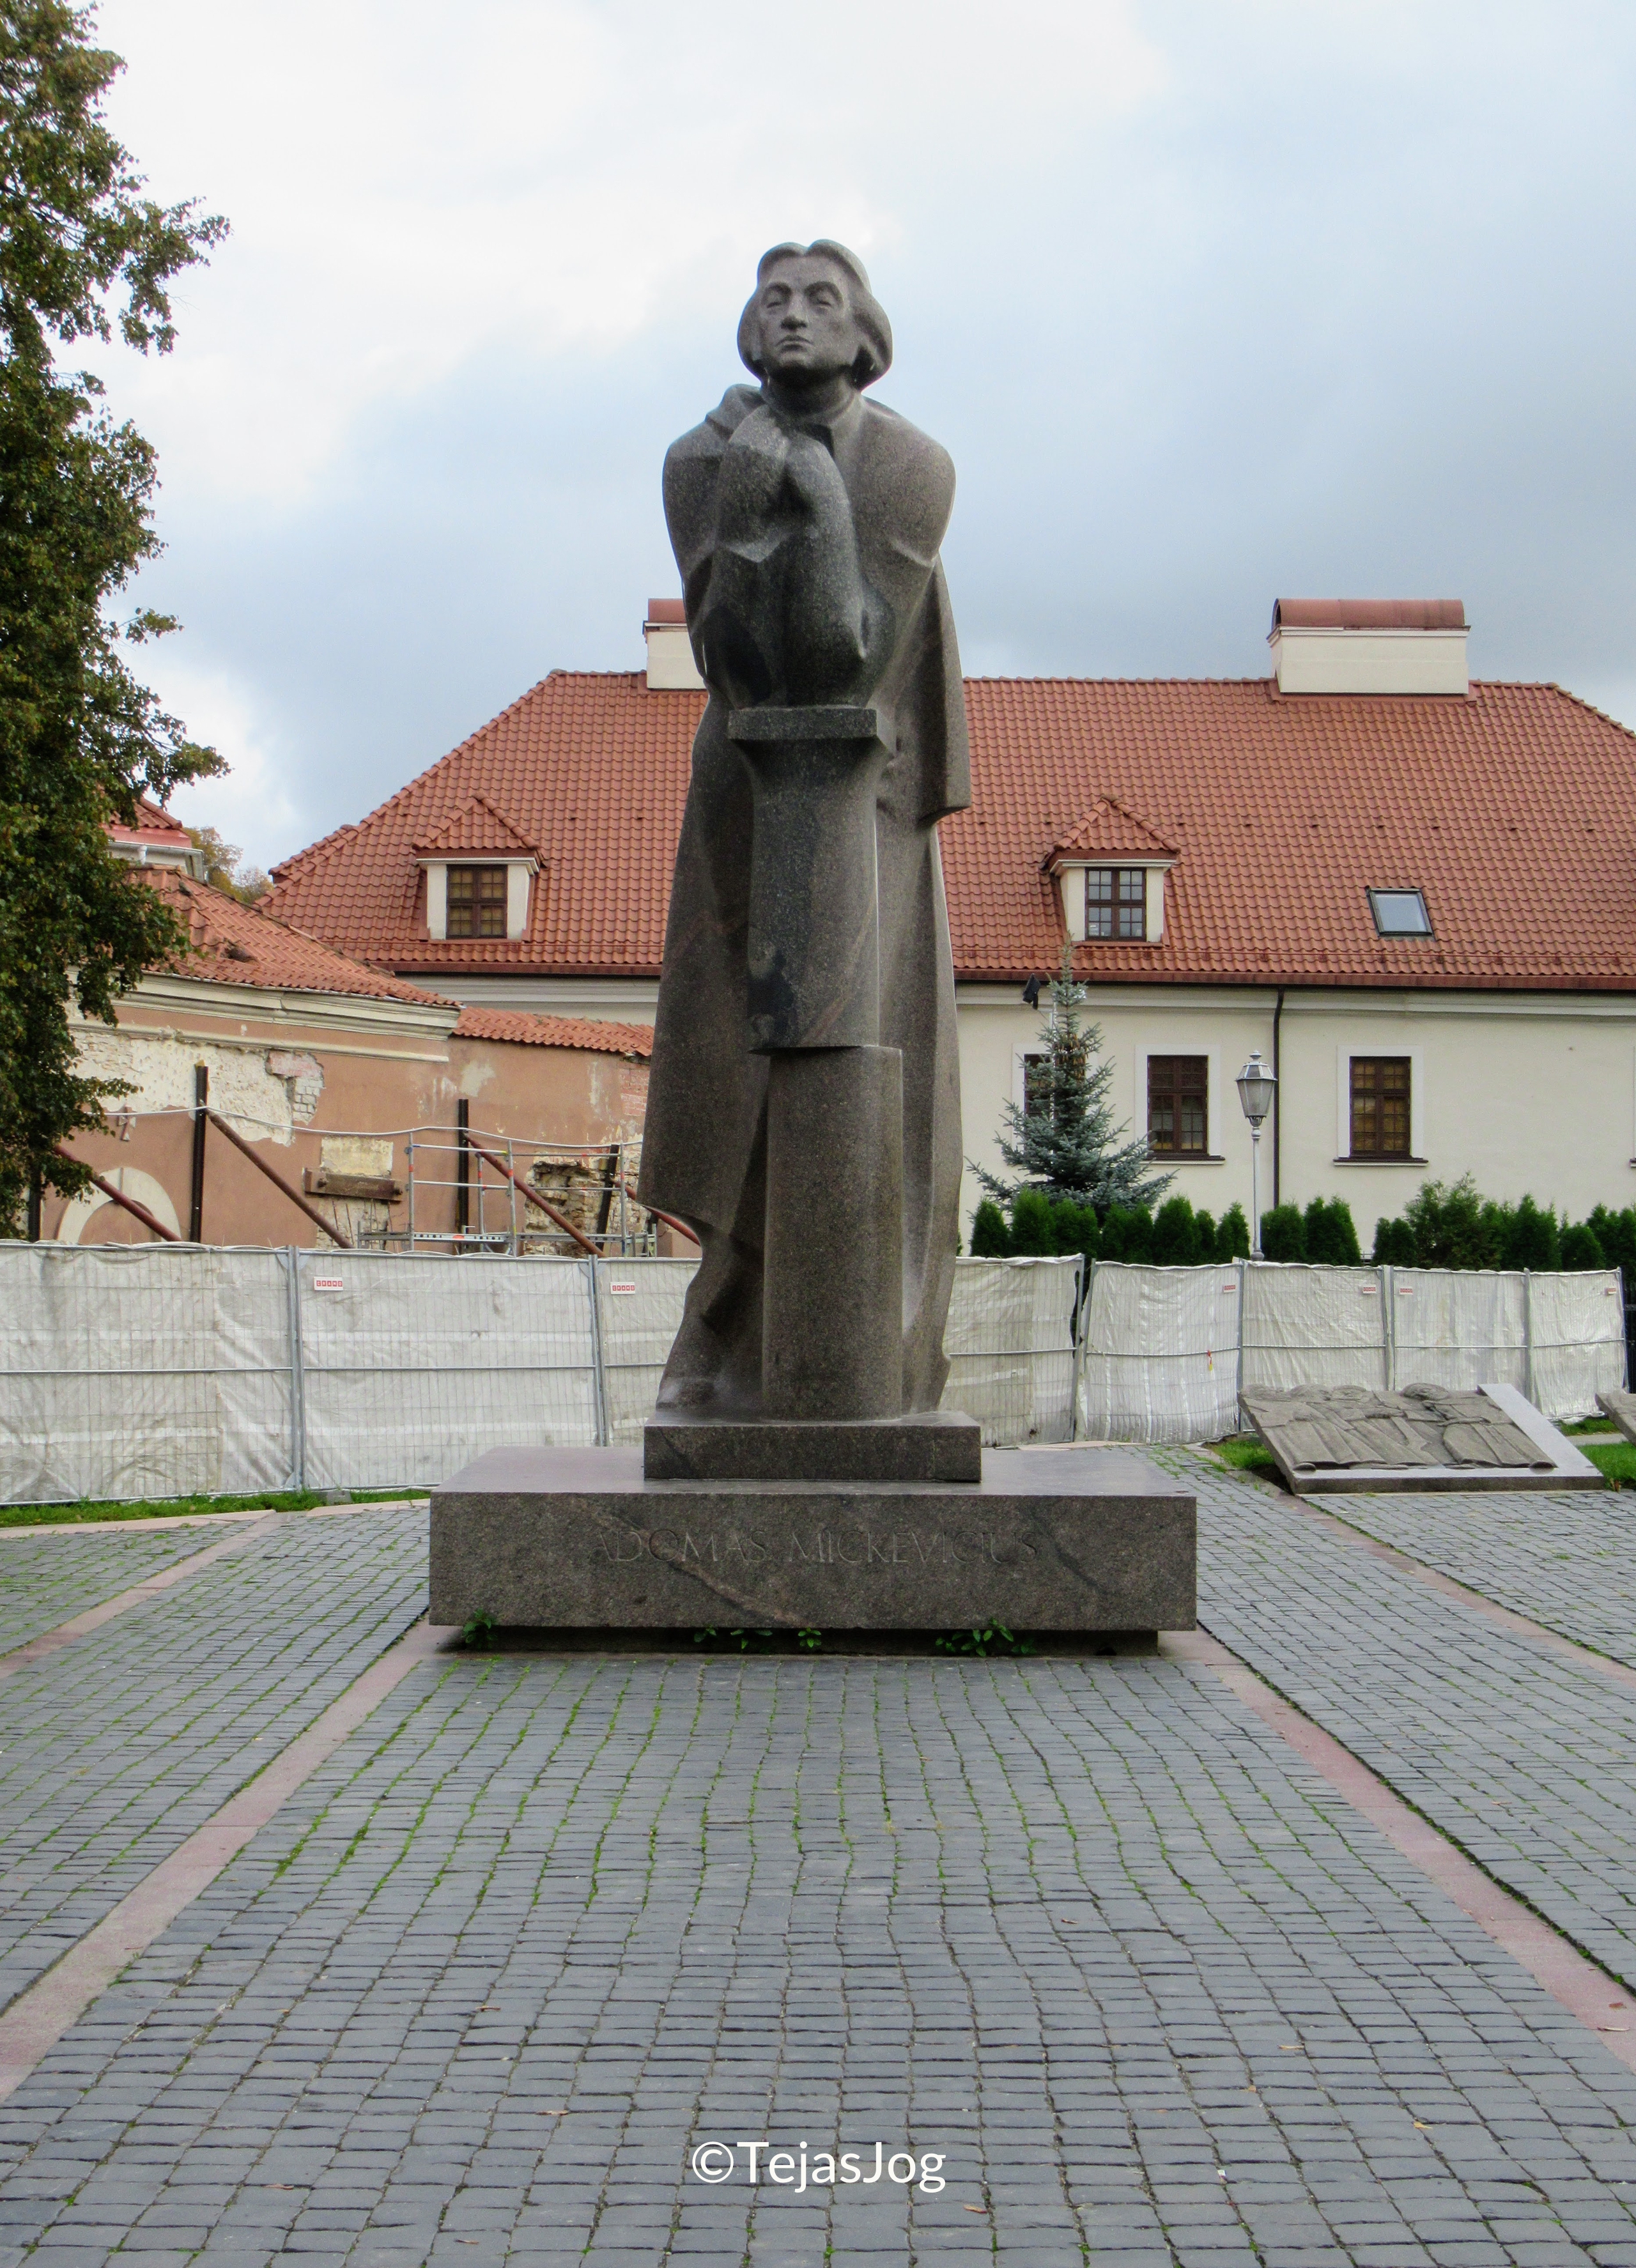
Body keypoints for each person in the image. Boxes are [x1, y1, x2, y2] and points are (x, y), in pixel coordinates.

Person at [638, 241, 970, 1415]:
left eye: (821, 300)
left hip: (867, 793)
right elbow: (728, 653)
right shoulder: (698, 461)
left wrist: (816, 494)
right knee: (732, 1062)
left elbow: (849, 654)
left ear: (865, 335)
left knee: (860, 1055)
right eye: (773, 298)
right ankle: (723, 1331)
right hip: (745, 784)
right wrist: (746, 490)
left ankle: (855, 1353)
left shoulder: (912, 468)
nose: (792, 316)